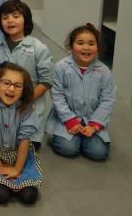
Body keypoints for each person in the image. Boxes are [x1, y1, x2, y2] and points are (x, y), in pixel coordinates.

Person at [0, 62, 42, 205]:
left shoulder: (27, 108)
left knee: (30, 196)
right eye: (6, 83)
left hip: (17, 156)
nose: (11, 89)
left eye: (17, 86)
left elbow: (25, 140)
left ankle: (11, 181)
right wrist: (1, 168)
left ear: (23, 90)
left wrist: (16, 169)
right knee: (1, 195)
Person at [46, 23, 116, 161]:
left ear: (98, 48)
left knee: (99, 153)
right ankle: (67, 138)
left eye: (91, 43)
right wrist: (70, 121)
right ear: (71, 47)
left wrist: (94, 125)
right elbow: (57, 96)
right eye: (80, 43)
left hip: (92, 121)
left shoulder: (104, 71)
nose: (86, 47)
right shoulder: (61, 67)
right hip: (66, 119)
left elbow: (108, 100)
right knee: (68, 149)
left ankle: (84, 139)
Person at [0, 0, 54, 148]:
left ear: (26, 19)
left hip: (29, 106)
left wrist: (24, 100)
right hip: (4, 104)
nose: (10, 20)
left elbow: (46, 81)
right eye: (5, 17)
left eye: (16, 16)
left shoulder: (39, 48)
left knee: (26, 147)